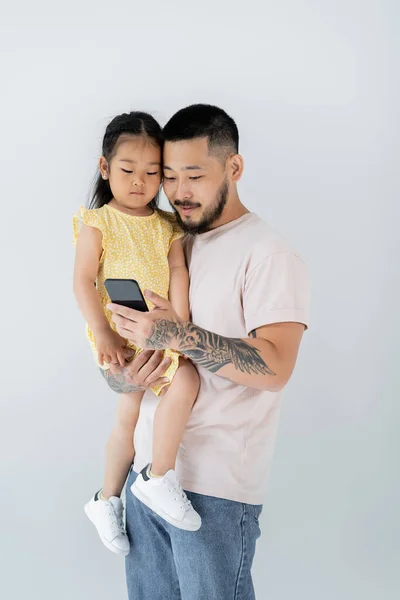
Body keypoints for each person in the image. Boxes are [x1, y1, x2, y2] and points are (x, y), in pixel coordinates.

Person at [107, 104, 311, 599]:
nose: (178, 192)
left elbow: (277, 365)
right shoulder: (173, 241)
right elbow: (131, 363)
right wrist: (124, 377)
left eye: (194, 176)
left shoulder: (268, 252)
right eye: (170, 176)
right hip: (145, 477)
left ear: (234, 168)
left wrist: (178, 335)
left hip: (215, 491)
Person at [72, 111, 201, 558]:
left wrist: (179, 329)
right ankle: (140, 484)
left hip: (159, 332)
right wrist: (103, 332)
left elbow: (179, 271)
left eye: (152, 173)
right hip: (118, 335)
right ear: (105, 168)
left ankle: (117, 493)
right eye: (128, 171)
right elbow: (83, 281)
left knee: (177, 385)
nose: (139, 182)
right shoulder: (98, 221)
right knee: (132, 410)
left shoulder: (168, 226)